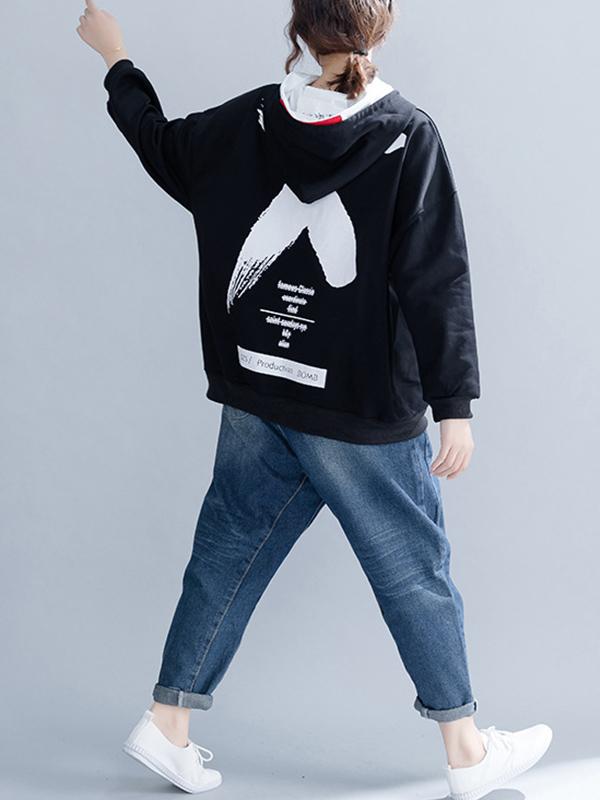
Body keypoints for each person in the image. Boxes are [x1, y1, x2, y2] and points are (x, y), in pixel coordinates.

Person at [76, 1, 552, 797]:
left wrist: (115, 59)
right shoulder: (406, 135)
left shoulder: (249, 121)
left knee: (227, 550)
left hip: (259, 384)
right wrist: (454, 405)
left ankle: (168, 723)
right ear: (378, 29)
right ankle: (468, 754)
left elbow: (162, 147)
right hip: (358, 408)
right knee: (413, 569)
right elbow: (435, 278)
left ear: (299, 28)